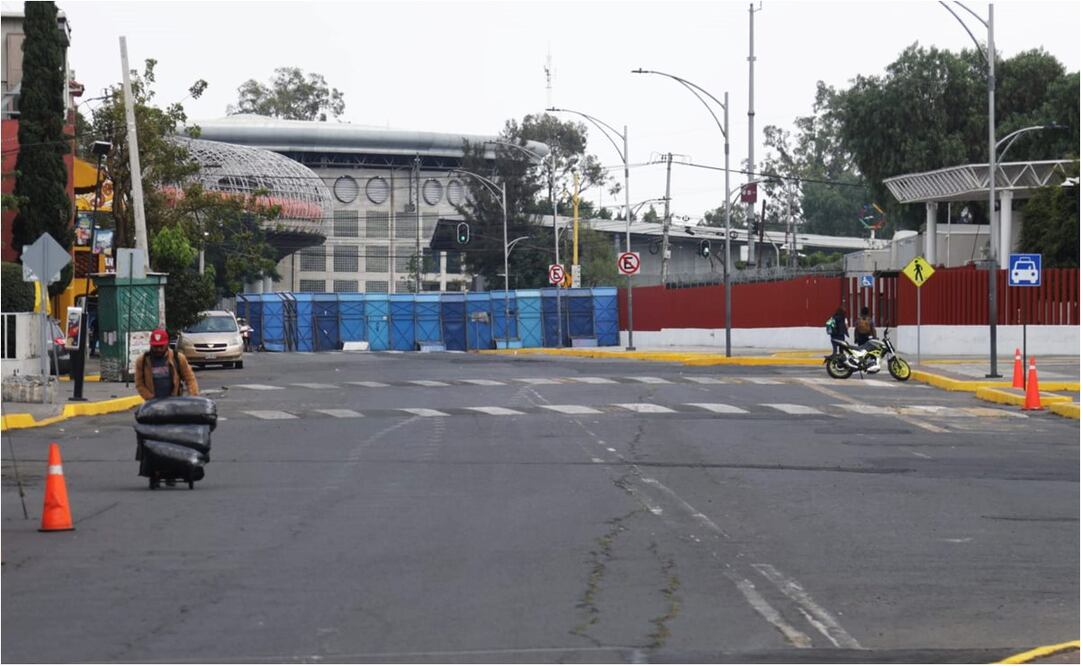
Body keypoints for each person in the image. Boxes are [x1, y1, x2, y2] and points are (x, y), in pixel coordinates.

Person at [135, 328, 199, 401]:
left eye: (161, 346)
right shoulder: (142, 361)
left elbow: (190, 379)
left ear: (167, 343)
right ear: (151, 345)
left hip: (174, 402)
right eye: (155, 347)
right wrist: (150, 398)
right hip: (153, 404)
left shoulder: (178, 358)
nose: (158, 349)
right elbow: (139, 384)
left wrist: (193, 397)